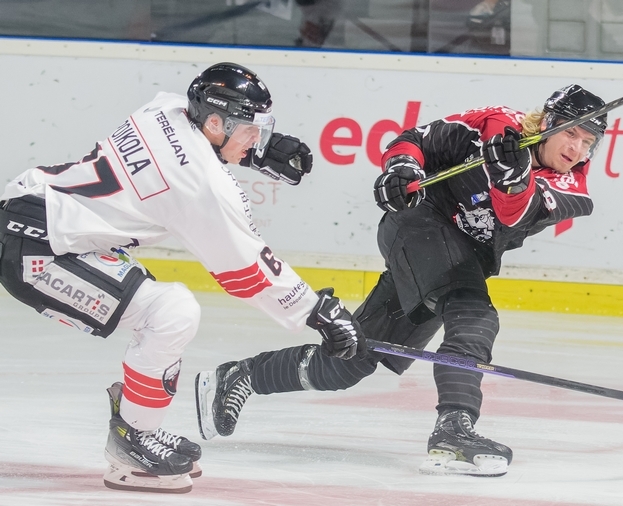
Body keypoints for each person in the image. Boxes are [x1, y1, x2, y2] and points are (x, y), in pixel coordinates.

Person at [194, 84, 607, 477]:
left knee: (348, 364)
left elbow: (516, 213)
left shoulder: (576, 189)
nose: (576, 149)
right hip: (418, 226)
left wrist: (510, 177)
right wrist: (400, 169)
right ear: (546, 122)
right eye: (570, 133)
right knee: (473, 315)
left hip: (454, 258)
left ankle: (241, 375)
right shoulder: (494, 124)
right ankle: (453, 430)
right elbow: (415, 139)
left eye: (588, 142)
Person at [0, 62, 363, 493]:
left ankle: (136, 423)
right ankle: (132, 443)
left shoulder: (165, 109)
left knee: (164, 311)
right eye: (252, 129)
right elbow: (247, 271)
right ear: (214, 122)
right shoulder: (200, 186)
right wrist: (316, 312)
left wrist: (253, 150)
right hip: (40, 250)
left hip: (36, 214)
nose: (257, 138)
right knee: (170, 313)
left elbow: (191, 145)